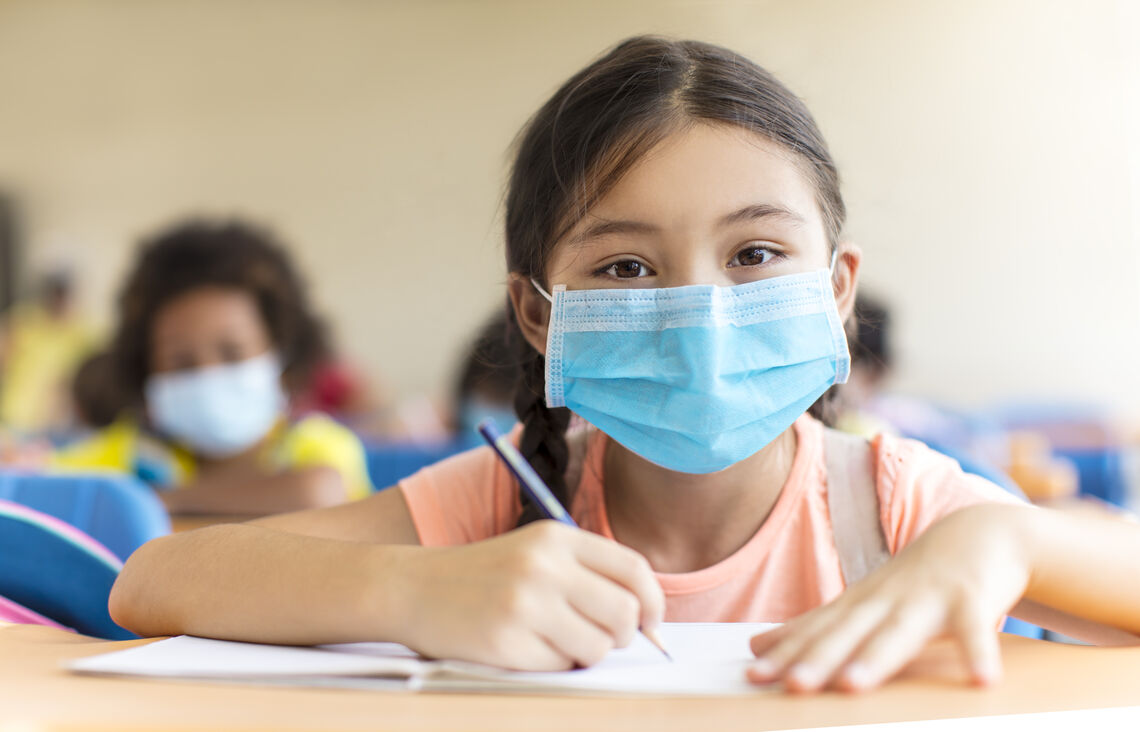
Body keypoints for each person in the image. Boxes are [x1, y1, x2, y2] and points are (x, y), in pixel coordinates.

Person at [109, 37, 1140, 692]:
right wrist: (417, 592)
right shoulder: (504, 505)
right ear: (537, 312)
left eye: (755, 254)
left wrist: (1007, 538)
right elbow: (153, 582)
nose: (700, 314)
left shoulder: (892, 506)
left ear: (837, 289)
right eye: (627, 267)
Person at [53, 220, 372, 514]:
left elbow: (318, 493)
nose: (208, 373)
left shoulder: (316, 443)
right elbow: (46, 478)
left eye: (232, 354)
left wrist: (168, 499)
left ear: (280, 353)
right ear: (146, 371)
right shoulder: (131, 453)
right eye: (181, 362)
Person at [0, 270, 95, 434]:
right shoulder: (25, 320)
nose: (56, 300)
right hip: (13, 416)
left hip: (51, 425)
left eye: (60, 294)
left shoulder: (79, 331)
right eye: (53, 294)